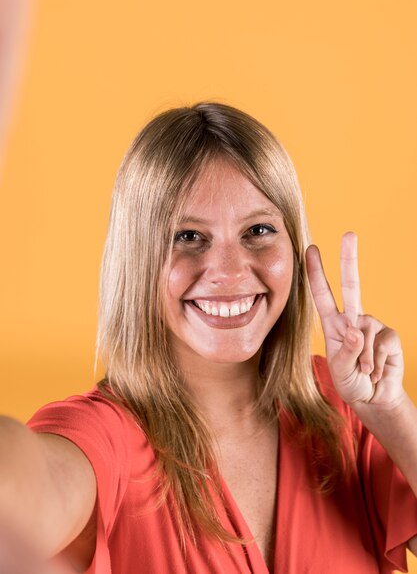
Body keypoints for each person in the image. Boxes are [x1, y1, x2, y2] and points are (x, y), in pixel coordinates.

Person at [1, 102, 417, 573]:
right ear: (138, 259)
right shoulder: (107, 439)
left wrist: (389, 411)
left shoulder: (348, 410)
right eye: (188, 237)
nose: (230, 272)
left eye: (258, 230)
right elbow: (24, 483)